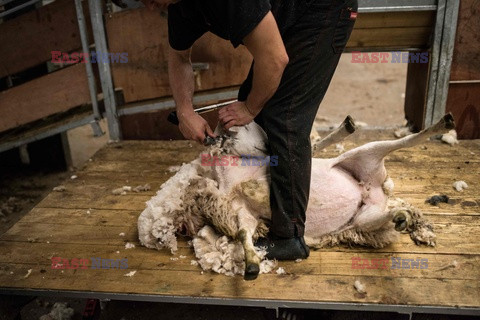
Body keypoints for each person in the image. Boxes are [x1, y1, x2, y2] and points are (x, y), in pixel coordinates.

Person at [127, 0, 358, 260]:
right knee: (252, 101)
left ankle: (289, 237)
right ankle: (266, 198)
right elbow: (179, 56)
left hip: (323, 10)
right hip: (291, 13)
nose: (147, 7)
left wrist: (249, 109)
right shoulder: (180, 8)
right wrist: (185, 111)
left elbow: (275, 58)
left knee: (284, 117)